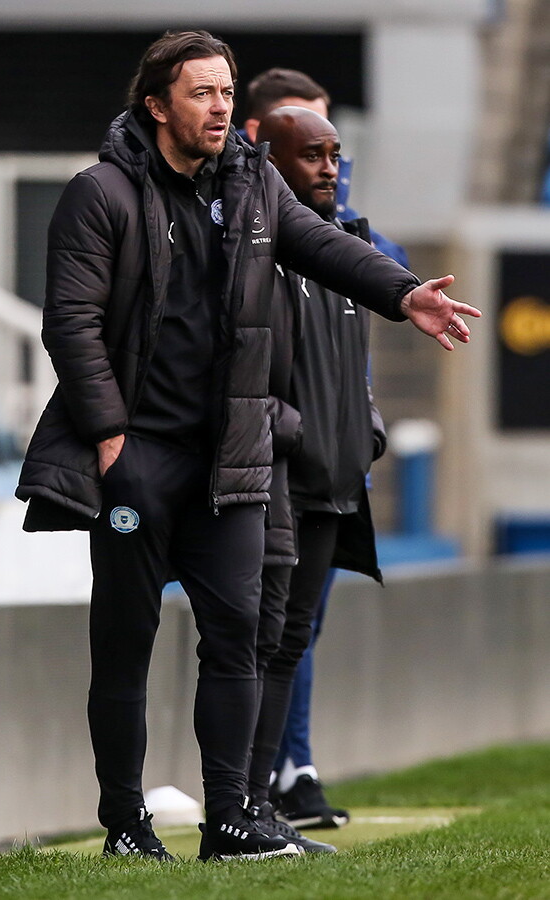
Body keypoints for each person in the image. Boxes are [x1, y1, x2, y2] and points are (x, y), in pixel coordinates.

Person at [16, 30, 480, 863]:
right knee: (124, 642)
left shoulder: (254, 181)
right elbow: (71, 326)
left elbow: (323, 244)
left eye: (227, 92)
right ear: (157, 105)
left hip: (230, 460)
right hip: (137, 461)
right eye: (202, 93)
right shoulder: (100, 193)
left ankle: (231, 819)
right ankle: (125, 822)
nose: (221, 107)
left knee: (239, 638)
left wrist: (403, 293)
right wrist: (112, 438)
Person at [243, 68, 406, 828]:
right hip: (275, 480)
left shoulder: (352, 245)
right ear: (264, 151)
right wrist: (290, 433)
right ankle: (239, 800)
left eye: (335, 151)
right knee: (256, 640)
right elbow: (230, 358)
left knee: (289, 640)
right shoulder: (247, 246)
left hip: (334, 482)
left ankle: (269, 794)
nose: (330, 167)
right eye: (313, 151)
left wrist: (363, 430)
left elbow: (351, 365)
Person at [242, 67, 409, 266]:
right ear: (256, 131)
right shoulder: (231, 193)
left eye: (321, 122)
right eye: (298, 120)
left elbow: (396, 258)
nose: (316, 131)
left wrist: (361, 255)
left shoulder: (329, 193)